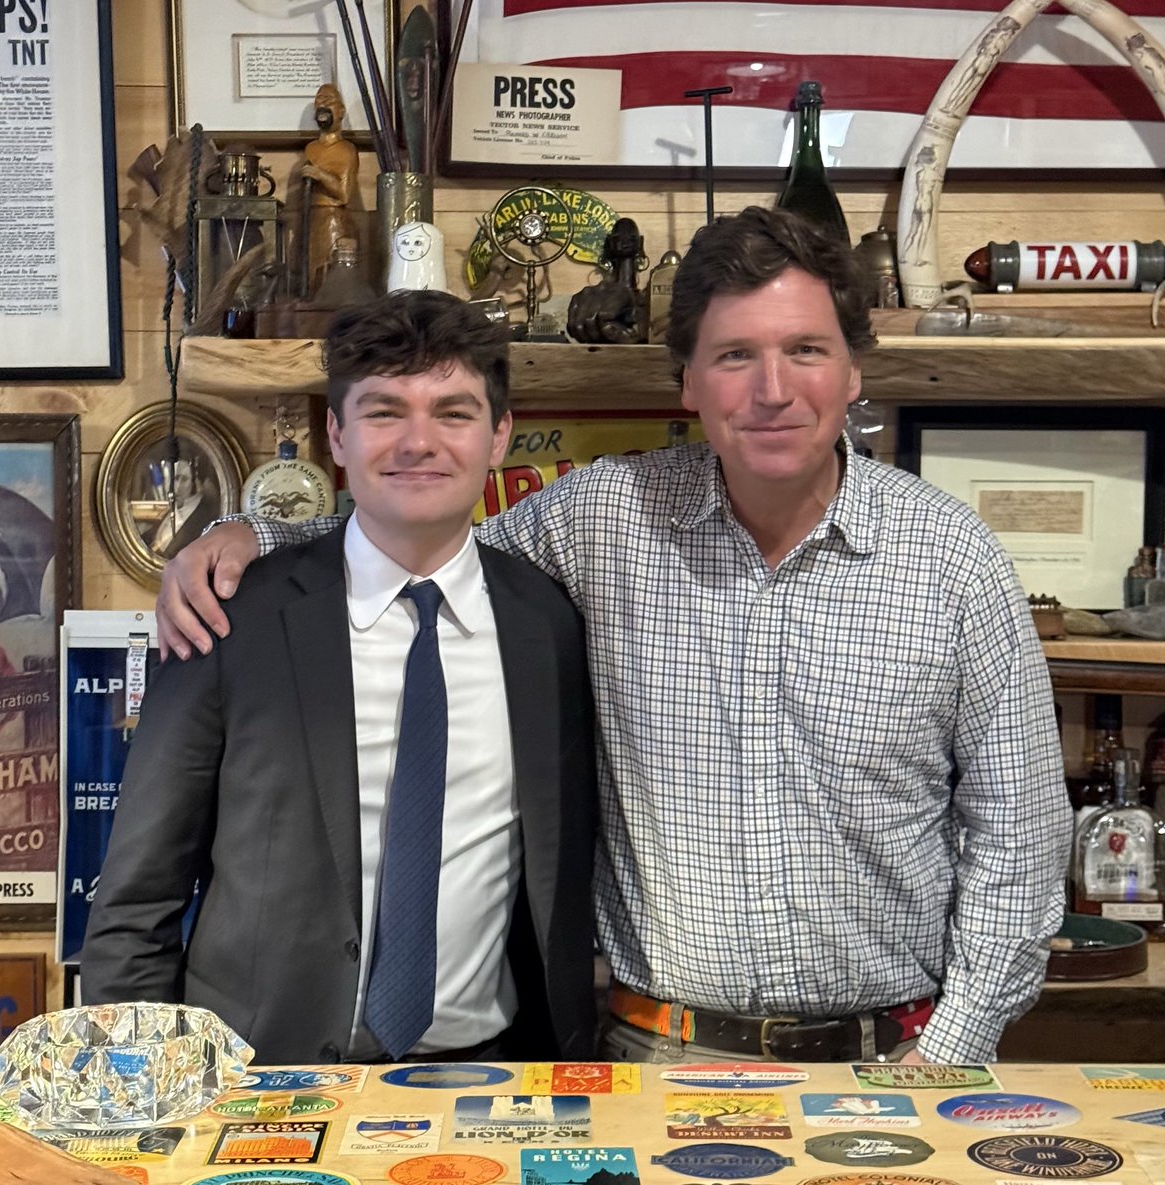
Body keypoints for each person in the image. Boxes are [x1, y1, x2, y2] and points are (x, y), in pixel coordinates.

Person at [155, 207, 1071, 1065]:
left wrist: (950, 1049)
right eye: (734, 355)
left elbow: (1021, 836)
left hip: (892, 1061)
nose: (772, 389)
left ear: (853, 370)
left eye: (805, 350)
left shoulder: (953, 558)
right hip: (651, 1060)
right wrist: (252, 538)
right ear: (686, 381)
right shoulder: (603, 519)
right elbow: (417, 538)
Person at [82, 291, 598, 1066]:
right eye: (385, 411)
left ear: (499, 438)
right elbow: (136, 902)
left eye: (453, 413)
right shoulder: (230, 617)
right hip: (256, 1080)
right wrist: (142, 1091)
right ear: (337, 435)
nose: (418, 442)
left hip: (490, 1073)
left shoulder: (546, 624)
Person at [301, 83, 359, 295]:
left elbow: (343, 194)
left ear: (341, 111)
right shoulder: (311, 148)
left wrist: (320, 175)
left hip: (334, 220)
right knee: (310, 277)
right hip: (311, 219)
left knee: (329, 278)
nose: (322, 105)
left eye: (329, 101)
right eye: (319, 101)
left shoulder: (347, 150)